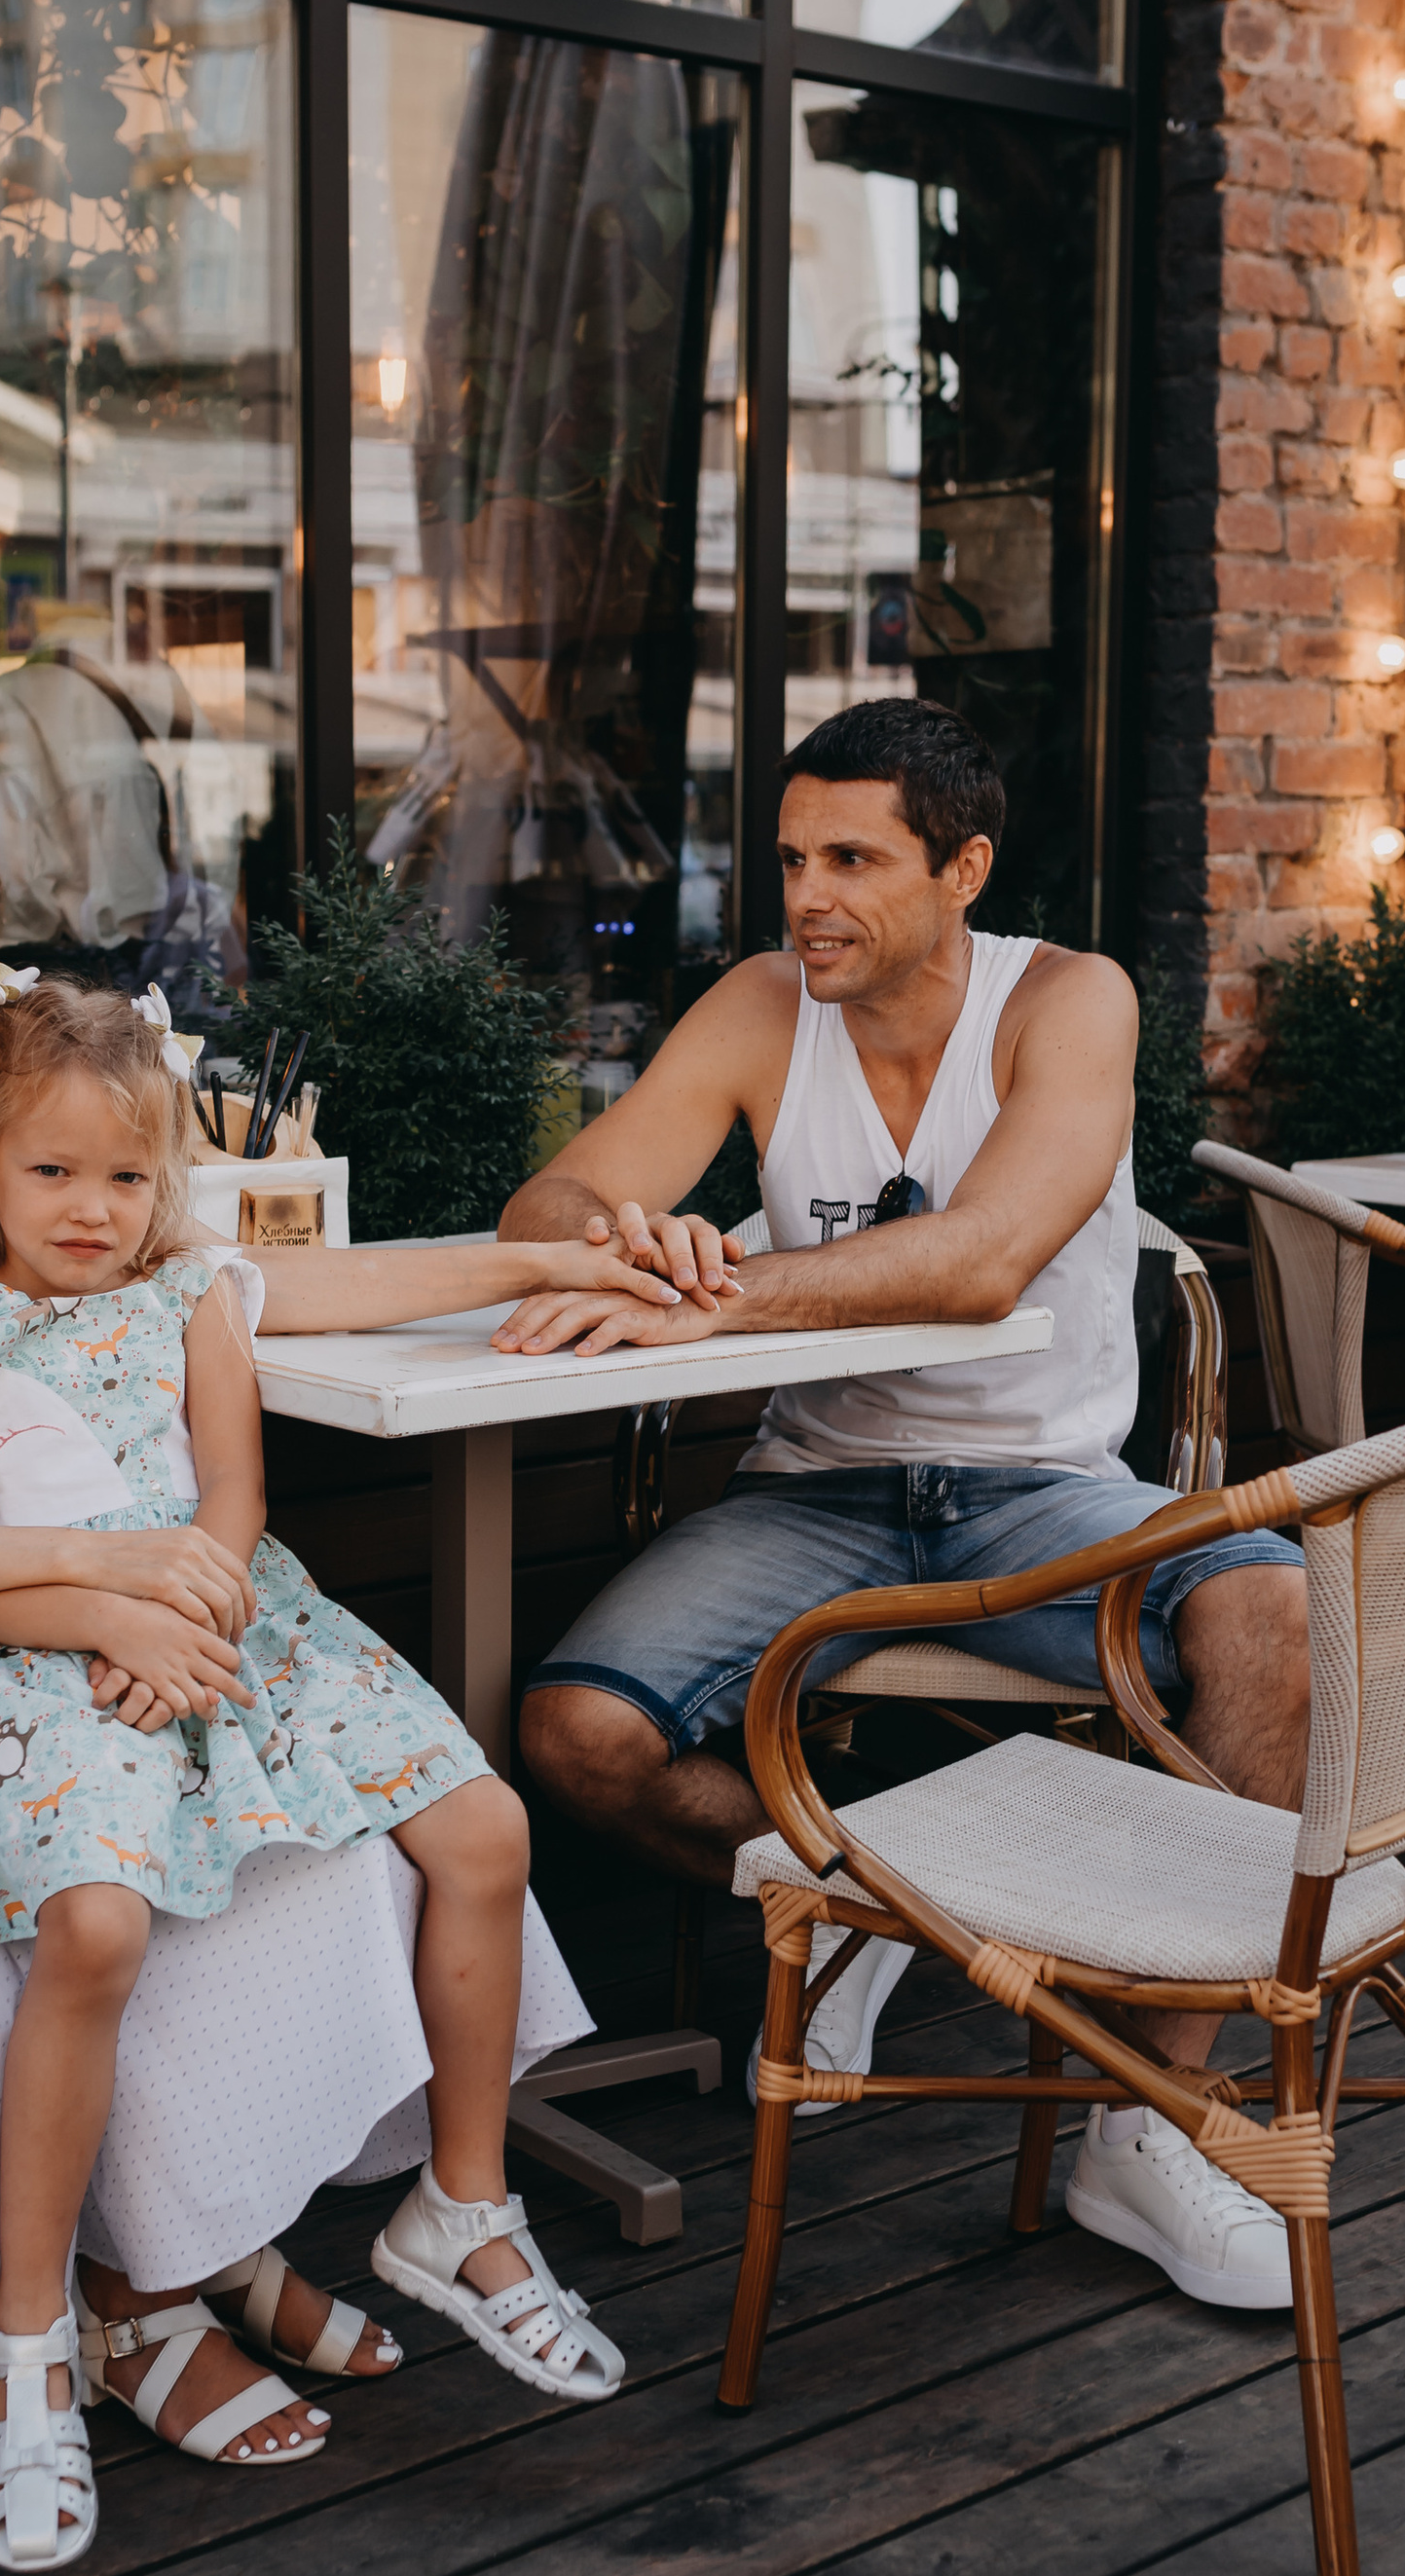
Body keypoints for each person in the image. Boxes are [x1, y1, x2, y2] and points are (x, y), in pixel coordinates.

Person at [0, 693, 684, 2550]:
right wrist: (97, 1586)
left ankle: (208, 2242)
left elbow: (232, 1276)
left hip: (49, 1605)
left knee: (288, 1834)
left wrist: (549, 1254)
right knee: (90, 1899)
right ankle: (126, 2303)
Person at [493, 696, 1313, 2316]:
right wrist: (623, 1235)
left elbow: (985, 1253)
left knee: (1272, 1608)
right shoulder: (756, 1005)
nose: (807, 897)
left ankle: (1157, 2115)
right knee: (577, 1734)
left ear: (964, 869)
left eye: (855, 860)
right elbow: (554, 1197)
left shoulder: (1067, 1000)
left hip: (1046, 1493)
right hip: (819, 1493)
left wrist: (725, 1298)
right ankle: (885, 1906)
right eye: (793, 858)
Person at [0, 973, 622, 2568]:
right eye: (53, 1173)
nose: (93, 1211)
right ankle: (28, 2345)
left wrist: (197, 1610)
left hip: (236, 1624)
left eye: (128, 1176)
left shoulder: (194, 1298)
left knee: (486, 1826)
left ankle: (464, 2205)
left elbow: (232, 1491)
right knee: (94, 1923)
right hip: (41, 1646)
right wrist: (116, 1625)